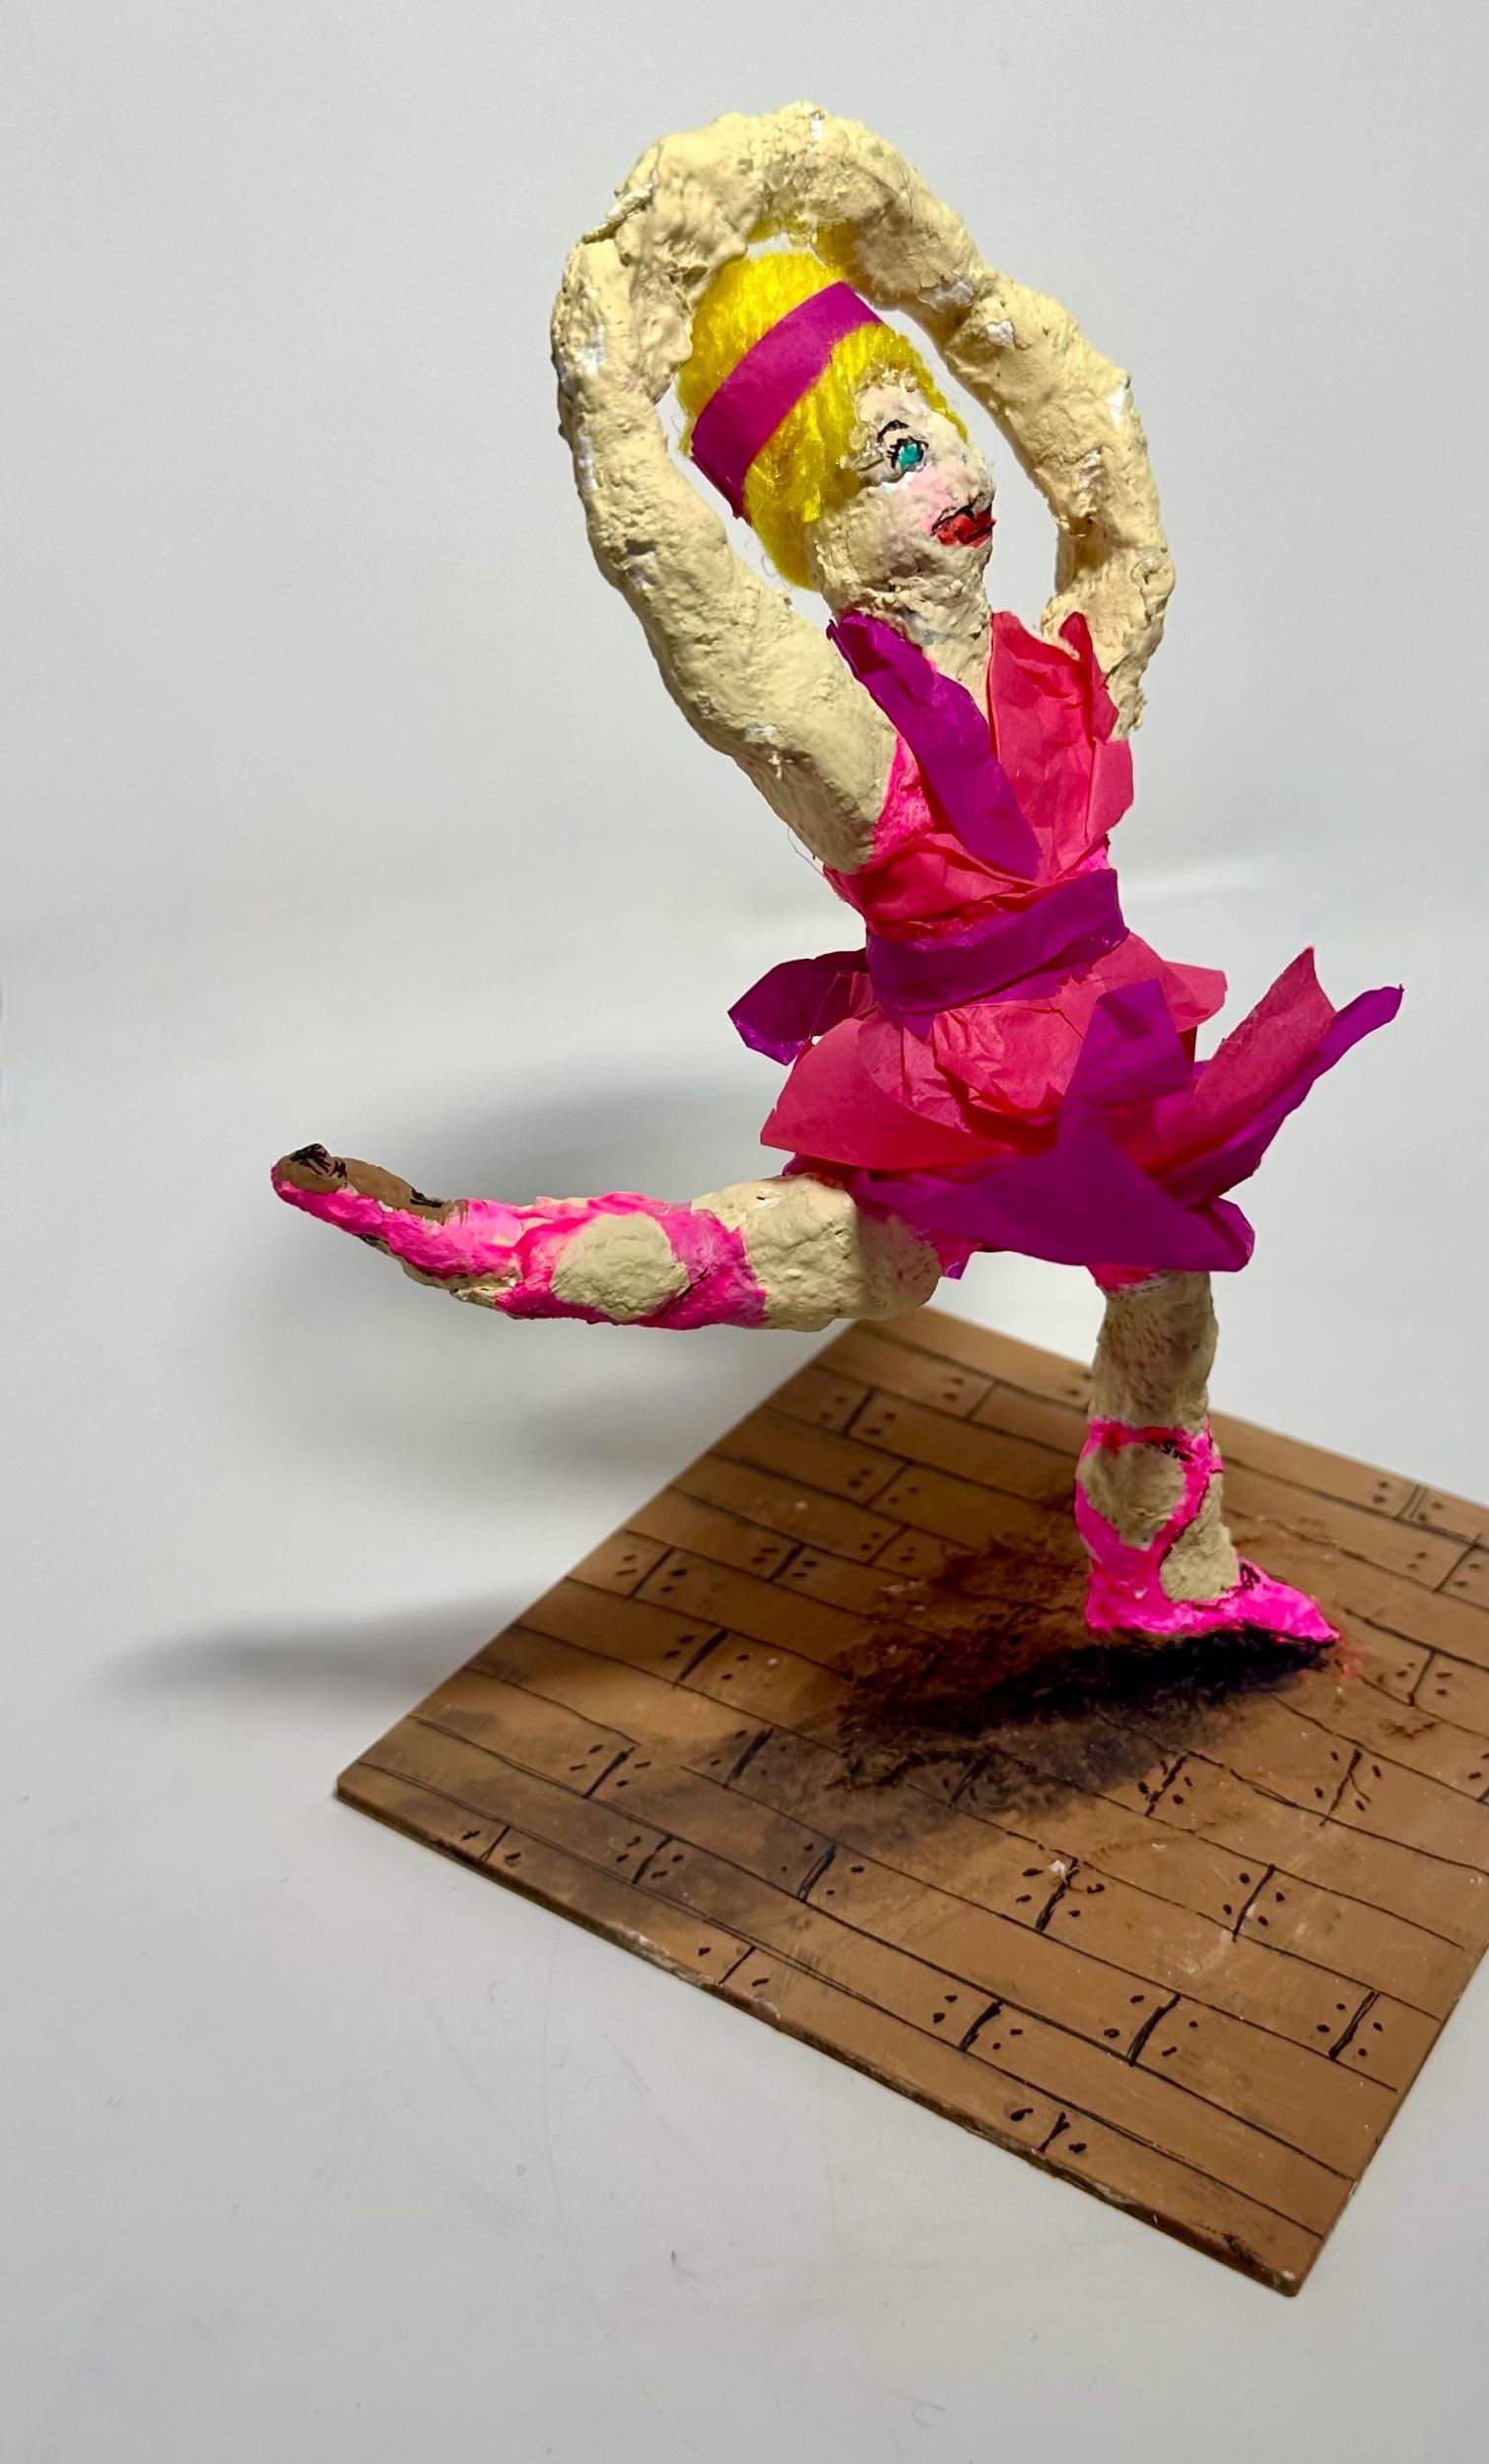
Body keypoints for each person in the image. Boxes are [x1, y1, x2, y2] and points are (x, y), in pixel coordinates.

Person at [273, 106, 1397, 1650]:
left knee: (1166, 1279)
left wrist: (953, 290)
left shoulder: (1063, 666)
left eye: (936, 428)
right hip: (956, 1077)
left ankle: (1161, 1568)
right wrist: (613, 365)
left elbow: (1114, 504)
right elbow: (678, 572)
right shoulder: (842, 730)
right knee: (826, 1267)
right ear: (815, 520)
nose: (952, 468)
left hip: (1110, 1038)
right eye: (889, 456)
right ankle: (479, 1247)